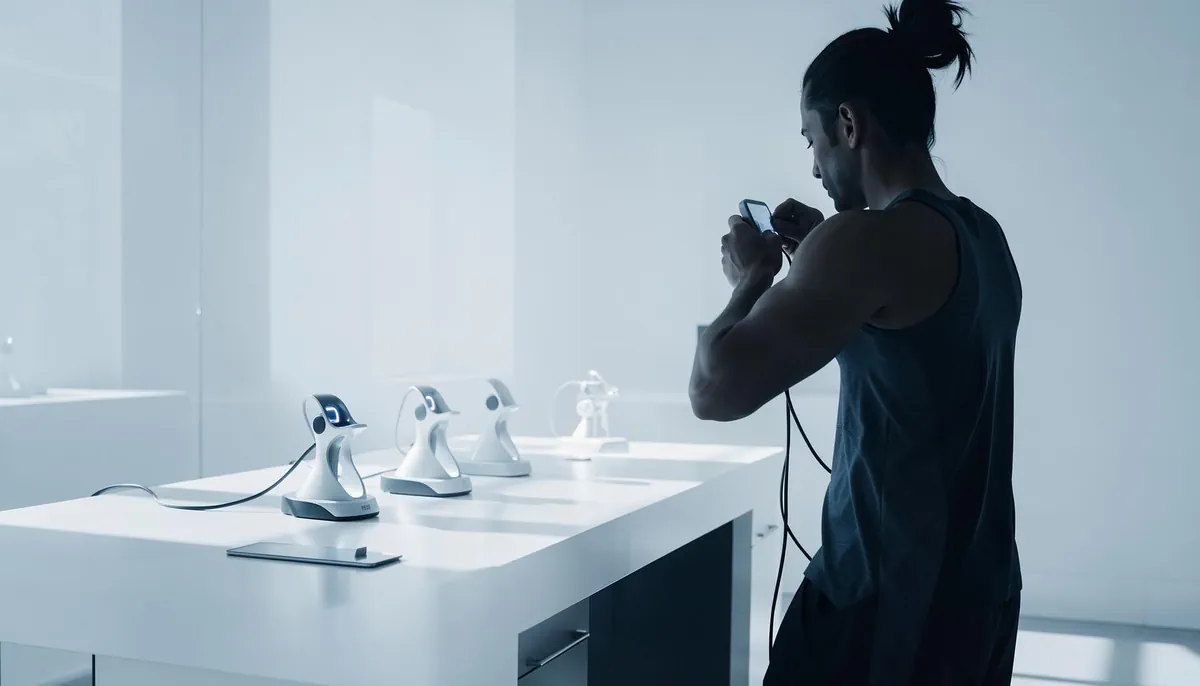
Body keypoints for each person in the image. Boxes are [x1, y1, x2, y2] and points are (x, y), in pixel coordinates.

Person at [688, 0, 1022, 683]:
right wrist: (820, 251)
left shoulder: (865, 242)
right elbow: (917, 346)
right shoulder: (984, 236)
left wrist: (751, 279)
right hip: (977, 604)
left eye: (812, 139)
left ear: (848, 123)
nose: (813, 167)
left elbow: (713, 392)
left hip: (880, 604)